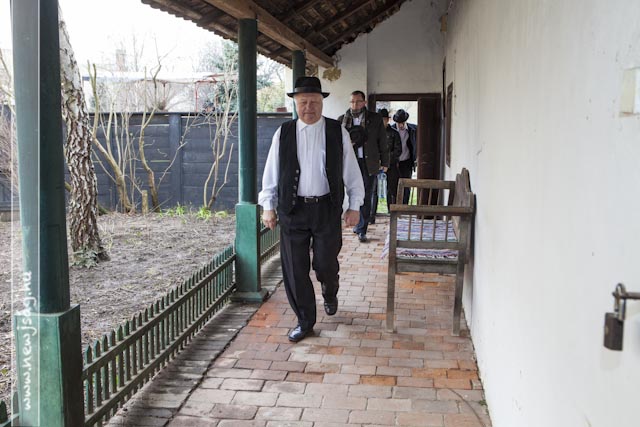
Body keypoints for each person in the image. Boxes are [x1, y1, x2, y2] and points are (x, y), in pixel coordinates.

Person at [258, 76, 364, 343]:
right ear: (295, 103)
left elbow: (351, 171)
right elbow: (271, 171)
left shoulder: (337, 131)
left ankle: (330, 290)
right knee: (295, 269)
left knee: (325, 263)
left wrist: (355, 206)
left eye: (314, 102)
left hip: (327, 209)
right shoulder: (283, 133)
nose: (309, 107)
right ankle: (305, 321)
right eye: (303, 102)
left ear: (321, 103)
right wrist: (268, 206)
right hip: (293, 210)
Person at [338, 91, 389, 242]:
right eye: (352, 102)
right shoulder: (342, 120)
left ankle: (362, 228)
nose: (355, 105)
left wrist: (385, 162)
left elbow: (382, 141)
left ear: (364, 102)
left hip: (369, 163)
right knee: (349, 193)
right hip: (349, 163)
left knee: (366, 195)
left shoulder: (375, 119)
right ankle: (352, 220)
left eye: (358, 101)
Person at [391, 109, 417, 204]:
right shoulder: (391, 130)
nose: (400, 125)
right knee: (393, 187)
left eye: (402, 123)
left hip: (407, 162)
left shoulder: (413, 130)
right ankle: (393, 208)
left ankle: (404, 207)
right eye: (398, 123)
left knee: (406, 186)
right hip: (393, 163)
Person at [378, 108, 402, 208]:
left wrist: (386, 162)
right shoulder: (373, 133)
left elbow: (398, 151)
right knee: (373, 190)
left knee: (392, 190)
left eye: (383, 119)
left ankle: (392, 211)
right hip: (376, 165)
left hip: (391, 165)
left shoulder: (394, 133)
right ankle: (371, 214)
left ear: (387, 120)